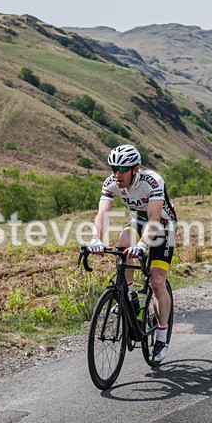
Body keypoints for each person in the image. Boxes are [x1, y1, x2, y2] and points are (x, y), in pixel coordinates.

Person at [87, 144, 177, 363]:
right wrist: (96, 239)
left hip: (163, 226)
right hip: (137, 221)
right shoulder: (111, 183)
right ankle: (128, 295)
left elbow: (154, 220)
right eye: (114, 168)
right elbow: (102, 214)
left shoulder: (152, 182)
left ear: (135, 169)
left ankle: (162, 337)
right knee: (123, 244)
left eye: (122, 169)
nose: (117, 174)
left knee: (157, 282)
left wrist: (143, 245)